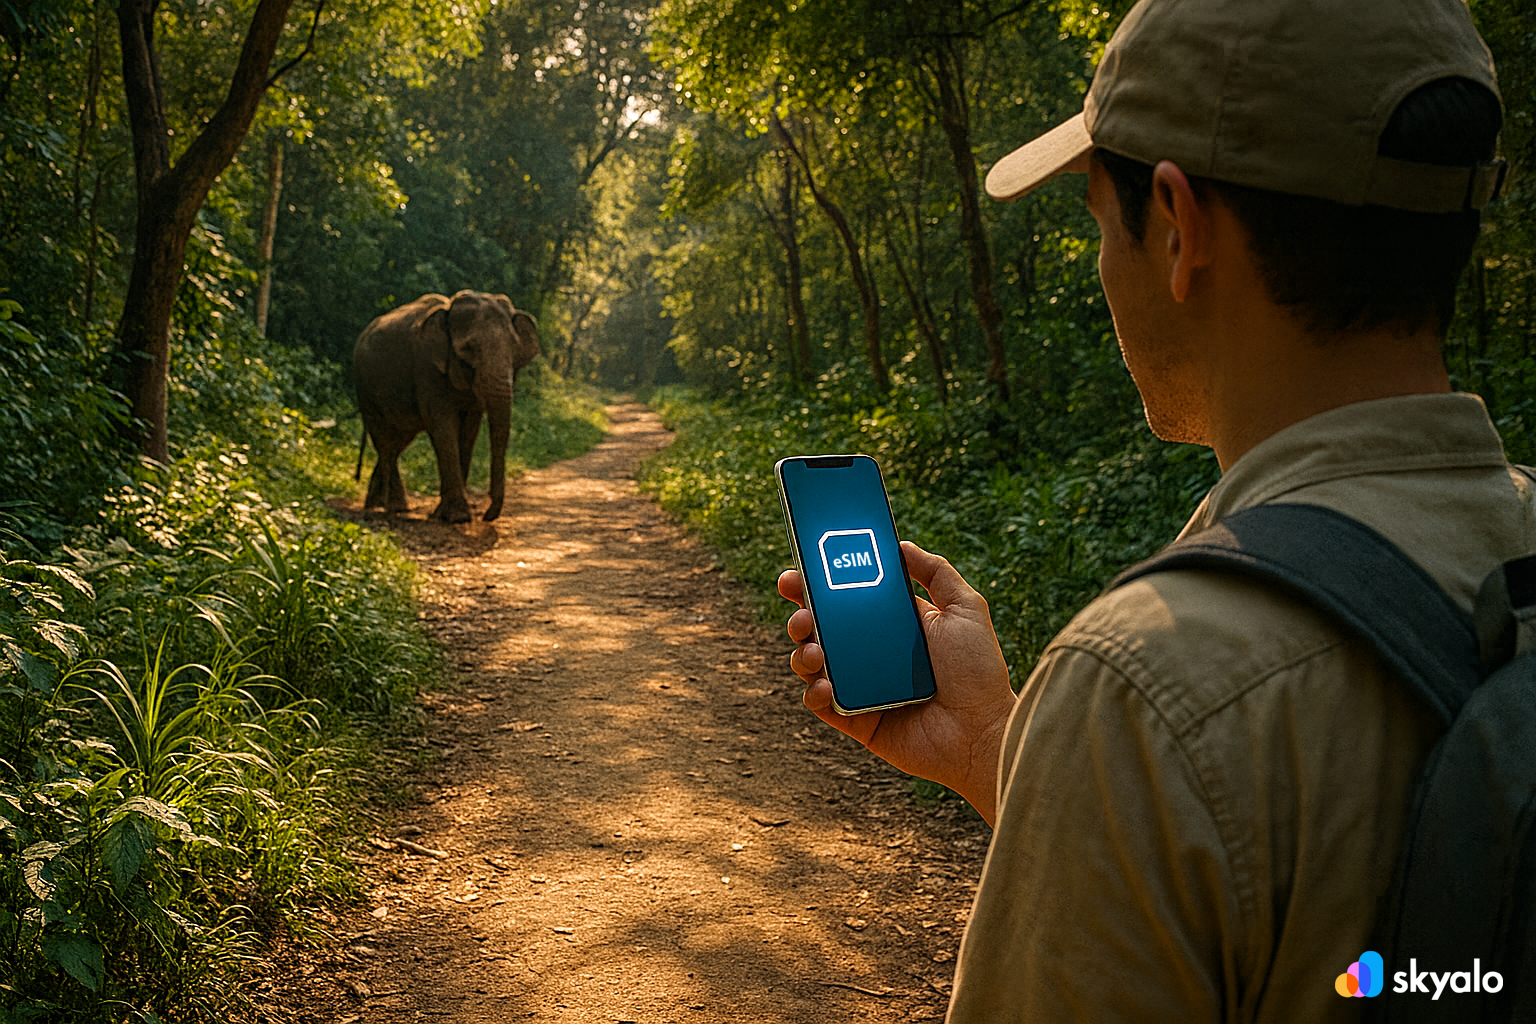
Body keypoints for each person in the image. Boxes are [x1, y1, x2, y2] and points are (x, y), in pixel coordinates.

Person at [776, 0, 1535, 1019]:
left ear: (1178, 228)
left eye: (1099, 220)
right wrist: (995, 743)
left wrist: (1095, 731)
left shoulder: (1150, 685)